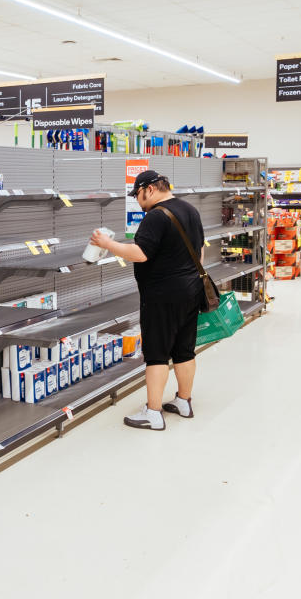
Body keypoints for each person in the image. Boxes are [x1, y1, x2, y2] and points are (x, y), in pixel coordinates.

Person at [89, 170, 205, 431]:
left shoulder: (156, 216)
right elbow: (201, 250)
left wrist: (108, 243)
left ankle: (153, 413)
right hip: (191, 290)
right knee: (185, 350)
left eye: (138, 195)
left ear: (149, 189)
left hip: (162, 296)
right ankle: (183, 401)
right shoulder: (190, 210)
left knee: (157, 354)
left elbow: (139, 253)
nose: (138, 202)